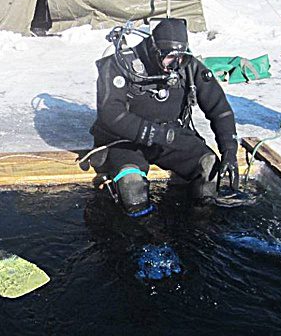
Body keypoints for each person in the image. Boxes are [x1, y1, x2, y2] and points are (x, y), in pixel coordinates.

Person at [83, 18, 239, 217]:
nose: (174, 64)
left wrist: (229, 151)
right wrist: (156, 134)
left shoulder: (189, 67)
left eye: (180, 57)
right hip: (126, 141)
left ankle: (200, 227)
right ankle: (139, 236)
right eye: (168, 57)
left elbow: (220, 110)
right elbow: (110, 114)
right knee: (132, 187)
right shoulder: (120, 65)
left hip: (171, 135)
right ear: (153, 49)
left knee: (209, 169)